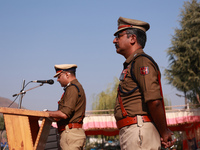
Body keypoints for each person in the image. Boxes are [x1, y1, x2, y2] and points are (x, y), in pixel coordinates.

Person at [113, 16, 176, 149]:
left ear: (133, 38)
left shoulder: (141, 62)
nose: (114, 40)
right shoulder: (133, 63)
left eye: (119, 36)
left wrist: (164, 132)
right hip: (135, 131)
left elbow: (154, 101)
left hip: (139, 130)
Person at [47, 64, 86, 150]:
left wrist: (46, 113)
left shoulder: (72, 88)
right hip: (73, 133)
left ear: (67, 75)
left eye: (59, 76)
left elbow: (64, 114)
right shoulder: (75, 87)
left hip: (70, 134)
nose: (57, 80)